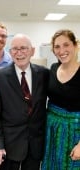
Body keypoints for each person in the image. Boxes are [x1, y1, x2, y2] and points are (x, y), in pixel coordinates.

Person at [0, 33, 49, 170]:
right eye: (15, 49)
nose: (19, 53)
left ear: (32, 51)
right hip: (9, 144)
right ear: (10, 52)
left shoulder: (44, 74)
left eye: (24, 48)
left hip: (35, 144)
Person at [41, 29, 80, 169]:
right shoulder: (53, 68)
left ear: (76, 45)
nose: (61, 50)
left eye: (66, 45)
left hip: (75, 133)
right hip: (51, 130)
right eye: (57, 47)